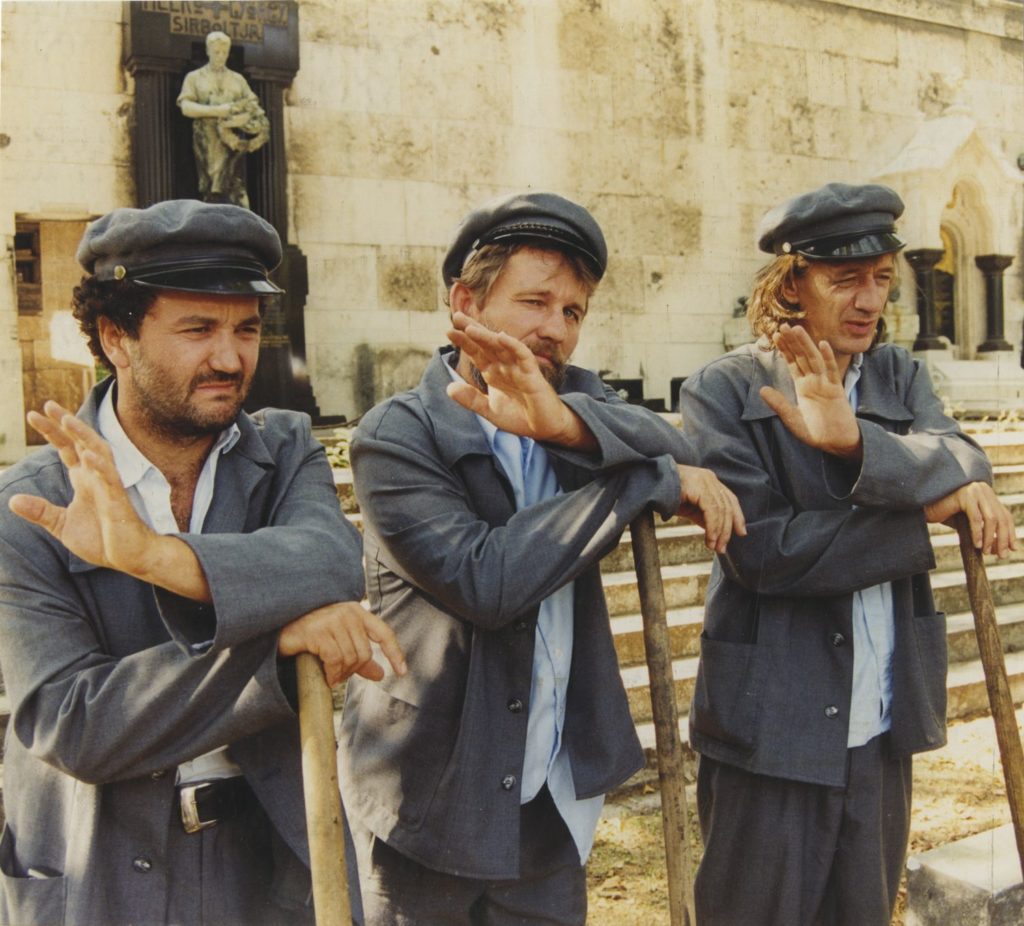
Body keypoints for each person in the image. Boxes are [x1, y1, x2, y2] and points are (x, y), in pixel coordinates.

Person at [339, 190, 746, 924]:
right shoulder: (396, 434)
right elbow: (485, 580)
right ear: (465, 301)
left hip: (549, 802)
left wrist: (563, 425)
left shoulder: (580, 408)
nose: (554, 329)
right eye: (533, 302)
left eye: (573, 312)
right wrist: (638, 483)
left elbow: (687, 449)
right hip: (429, 798)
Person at [0, 199, 405, 926]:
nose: (230, 358)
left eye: (246, 328)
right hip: (98, 878)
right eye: (198, 329)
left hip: (269, 861)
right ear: (114, 337)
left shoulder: (281, 448)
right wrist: (275, 648)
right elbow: (72, 724)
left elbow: (332, 564)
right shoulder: (30, 506)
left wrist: (157, 556)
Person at [678, 182, 1017, 925]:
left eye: (882, 278)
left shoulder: (897, 373)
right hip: (770, 725)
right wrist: (921, 504)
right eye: (845, 280)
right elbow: (764, 551)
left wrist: (857, 443)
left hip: (882, 720)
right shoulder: (724, 390)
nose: (869, 300)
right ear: (792, 282)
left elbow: (963, 454)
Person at [177, 31, 269, 208]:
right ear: (208, 51)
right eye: (216, 52)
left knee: (235, 182)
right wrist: (217, 110)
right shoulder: (194, 77)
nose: (220, 56)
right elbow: (186, 107)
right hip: (208, 137)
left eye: (224, 52)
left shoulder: (237, 79)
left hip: (234, 135)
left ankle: (239, 217)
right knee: (214, 182)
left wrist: (242, 118)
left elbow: (253, 104)